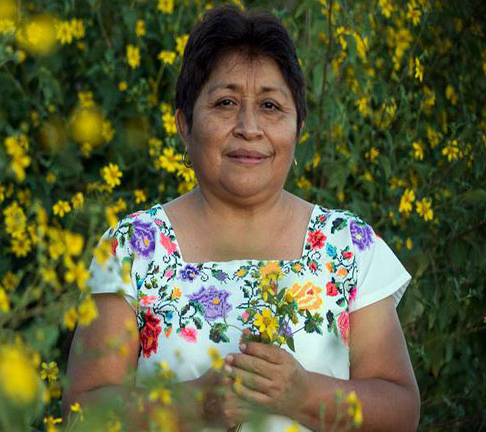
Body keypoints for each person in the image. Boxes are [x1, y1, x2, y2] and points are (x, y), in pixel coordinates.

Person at [64, 5, 420, 431]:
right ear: (184, 124)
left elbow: (401, 410)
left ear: (298, 127)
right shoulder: (132, 248)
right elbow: (81, 413)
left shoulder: (349, 246)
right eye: (226, 102)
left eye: (271, 105)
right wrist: (194, 403)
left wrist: (304, 395)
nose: (249, 127)